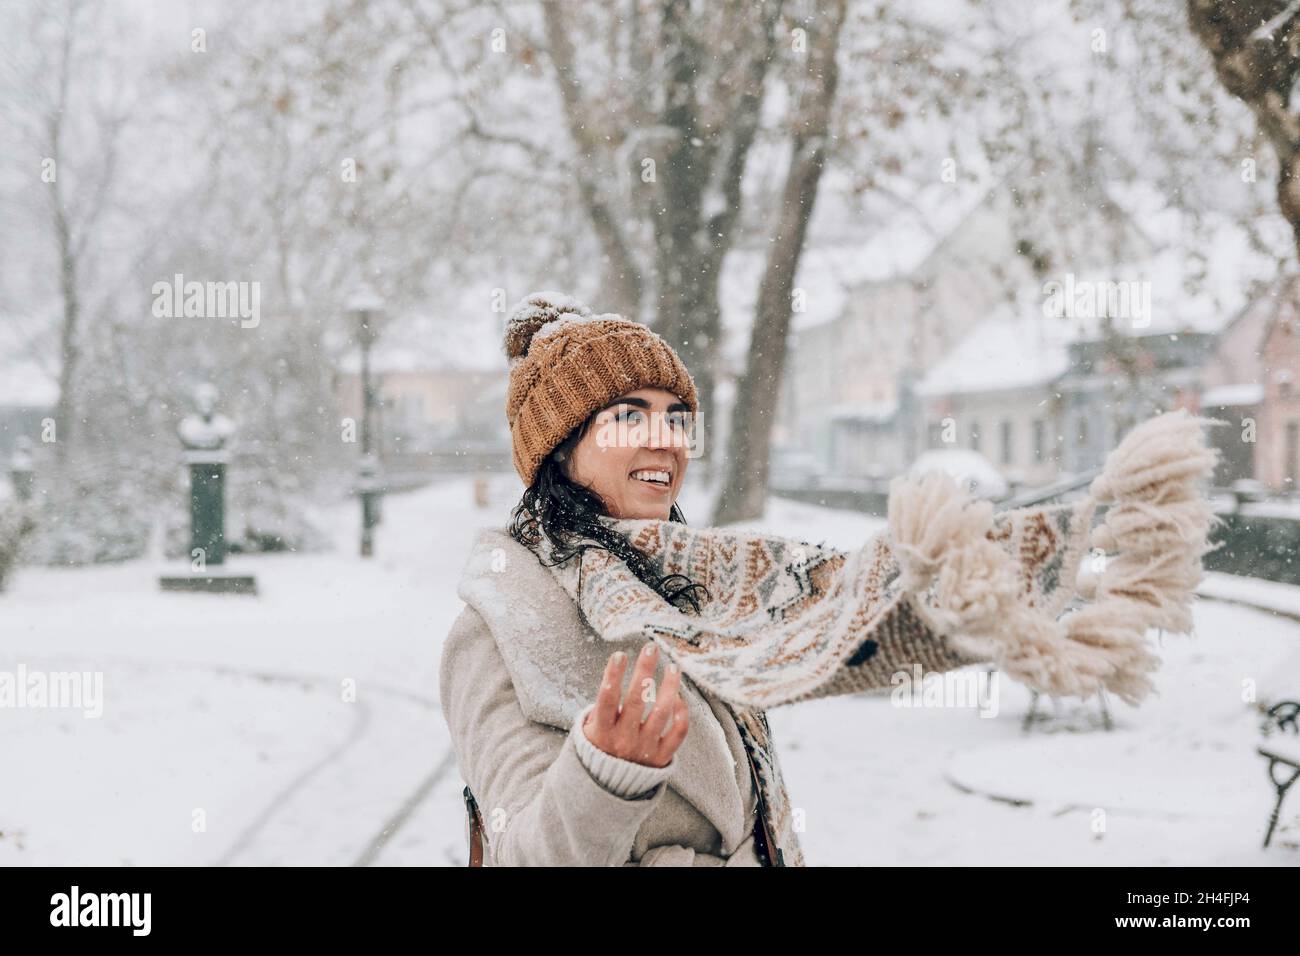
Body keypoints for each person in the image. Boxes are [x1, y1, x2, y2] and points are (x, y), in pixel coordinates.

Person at [440, 291, 977, 866]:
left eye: (677, 418)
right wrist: (605, 776)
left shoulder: (696, 584)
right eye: (627, 417)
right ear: (560, 447)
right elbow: (522, 855)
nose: (666, 439)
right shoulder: (500, 624)